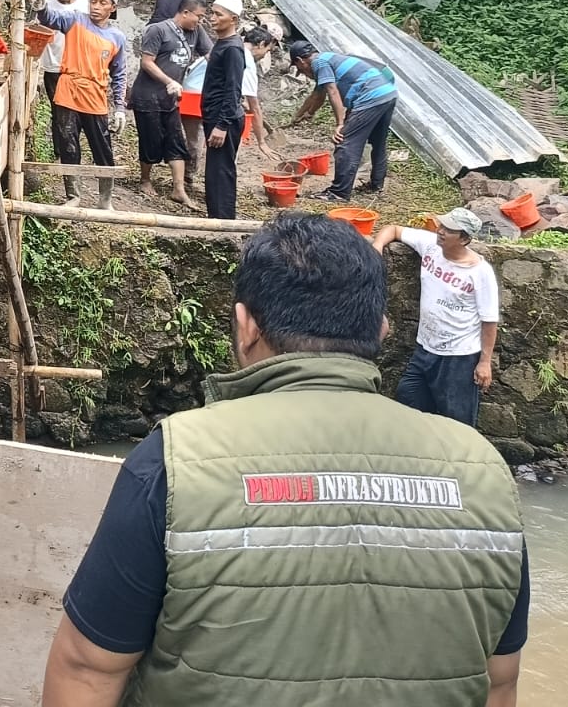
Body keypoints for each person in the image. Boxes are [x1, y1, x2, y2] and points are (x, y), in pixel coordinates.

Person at [42, 212, 529, 707]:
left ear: (246, 325)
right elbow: (500, 681)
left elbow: (87, 668)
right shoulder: (483, 471)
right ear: (381, 329)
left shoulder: (175, 459)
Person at [373, 208, 501, 426]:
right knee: (407, 400)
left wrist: (485, 362)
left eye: (449, 230)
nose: (440, 231)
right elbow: (393, 229)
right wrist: (377, 247)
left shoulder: (480, 273)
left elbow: (489, 321)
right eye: (441, 226)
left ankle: (460, 458)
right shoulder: (431, 245)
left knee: (457, 421)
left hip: (459, 356)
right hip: (425, 348)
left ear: (464, 239)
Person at [36, 0, 129, 210]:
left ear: (112, 8)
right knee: (68, 143)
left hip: (95, 95)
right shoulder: (76, 20)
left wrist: (119, 107)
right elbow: (52, 18)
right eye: (94, 2)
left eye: (102, 3)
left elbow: (119, 74)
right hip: (68, 89)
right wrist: (41, 8)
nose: (96, 7)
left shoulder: (117, 37)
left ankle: (105, 199)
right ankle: (73, 195)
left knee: (102, 147)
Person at [287, 39, 399, 202]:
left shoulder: (319, 63)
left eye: (300, 70)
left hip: (370, 97)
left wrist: (340, 124)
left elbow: (332, 92)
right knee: (378, 142)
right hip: (387, 94)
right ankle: (376, 185)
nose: (304, 73)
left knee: (345, 142)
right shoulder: (328, 59)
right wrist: (306, 114)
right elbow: (318, 96)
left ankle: (339, 192)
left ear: (300, 60)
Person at [128, 0, 209, 210]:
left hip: (171, 99)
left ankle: (178, 189)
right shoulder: (158, 30)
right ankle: (145, 180)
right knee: (150, 138)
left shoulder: (196, 32)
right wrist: (168, 81)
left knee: (175, 140)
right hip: (148, 95)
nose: (200, 21)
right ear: (185, 12)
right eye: (198, 16)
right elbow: (146, 62)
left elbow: (211, 54)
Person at [40, 0, 89, 188]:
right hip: (55, 66)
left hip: (80, 67)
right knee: (59, 112)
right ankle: (63, 152)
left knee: (77, 111)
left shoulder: (87, 5)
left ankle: (72, 149)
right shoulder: (46, 6)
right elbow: (37, 31)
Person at [201, 0, 246, 220]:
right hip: (215, 115)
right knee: (214, 171)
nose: (213, 18)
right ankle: (216, 218)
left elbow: (233, 89)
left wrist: (222, 124)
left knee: (221, 171)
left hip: (223, 117)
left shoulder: (233, 49)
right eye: (213, 13)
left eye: (219, 14)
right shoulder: (223, 44)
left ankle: (224, 223)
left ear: (233, 19)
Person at [240, 25, 282, 157]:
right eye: (268, 50)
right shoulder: (247, 61)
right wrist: (261, 143)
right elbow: (254, 106)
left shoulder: (232, 45)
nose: (265, 55)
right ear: (262, 43)